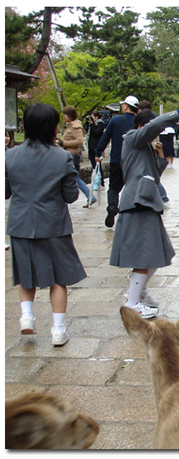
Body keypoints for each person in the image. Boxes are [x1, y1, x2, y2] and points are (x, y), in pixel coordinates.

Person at [6, 103, 87, 346]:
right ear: (52, 128)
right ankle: (58, 330)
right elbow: (71, 196)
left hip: (20, 222)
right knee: (57, 278)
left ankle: (27, 317)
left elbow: (6, 192)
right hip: (53, 223)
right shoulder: (62, 157)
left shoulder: (9, 156)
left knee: (25, 273)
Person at [110, 107, 179, 319]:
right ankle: (132, 303)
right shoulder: (132, 138)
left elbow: (154, 177)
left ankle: (138, 293)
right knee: (144, 257)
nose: (157, 134)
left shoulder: (144, 147)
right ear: (143, 126)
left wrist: (159, 157)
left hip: (147, 203)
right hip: (137, 203)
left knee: (157, 254)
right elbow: (155, 125)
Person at [95, 95, 139, 228]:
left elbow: (105, 138)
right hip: (133, 161)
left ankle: (112, 206)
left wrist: (98, 153)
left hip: (116, 159)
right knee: (131, 187)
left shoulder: (115, 120)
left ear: (126, 106)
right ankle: (130, 213)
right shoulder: (139, 122)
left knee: (114, 187)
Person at [57, 106, 96, 208]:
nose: (64, 116)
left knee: (73, 177)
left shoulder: (76, 127)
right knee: (74, 178)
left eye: (65, 114)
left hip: (72, 155)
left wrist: (64, 143)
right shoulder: (70, 126)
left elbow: (79, 141)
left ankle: (89, 196)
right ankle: (90, 196)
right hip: (69, 154)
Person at [87, 111, 106, 187]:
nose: (91, 118)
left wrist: (92, 124)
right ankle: (96, 181)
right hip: (91, 146)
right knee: (93, 165)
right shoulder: (91, 124)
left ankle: (101, 182)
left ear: (96, 117)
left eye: (92, 116)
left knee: (98, 165)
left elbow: (96, 132)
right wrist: (88, 123)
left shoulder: (100, 123)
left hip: (96, 146)